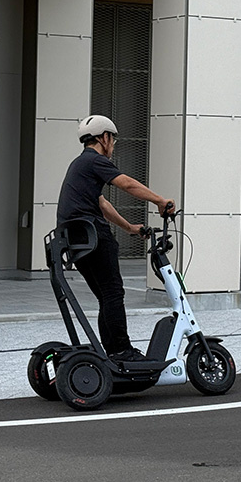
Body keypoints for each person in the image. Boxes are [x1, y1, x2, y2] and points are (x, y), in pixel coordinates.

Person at [57, 115, 175, 363]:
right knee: (113, 292)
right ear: (104, 137)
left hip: (75, 240)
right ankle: (122, 351)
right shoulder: (95, 160)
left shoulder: (79, 164)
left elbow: (102, 203)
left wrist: (130, 227)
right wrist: (160, 201)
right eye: (113, 139)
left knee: (106, 296)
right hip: (93, 235)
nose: (113, 145)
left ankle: (113, 352)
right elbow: (127, 184)